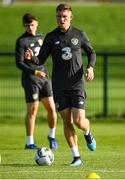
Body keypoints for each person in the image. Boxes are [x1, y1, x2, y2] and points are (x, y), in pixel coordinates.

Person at [25, 3, 96, 166]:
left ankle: (87, 131)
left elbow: (91, 52)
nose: (61, 19)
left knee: (79, 121)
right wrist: (31, 58)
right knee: (66, 121)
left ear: (71, 17)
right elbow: (40, 60)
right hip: (59, 86)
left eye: (64, 16)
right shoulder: (51, 37)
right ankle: (76, 157)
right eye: (59, 16)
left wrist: (90, 67)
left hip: (77, 84)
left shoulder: (79, 34)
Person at [15, 13, 58, 149]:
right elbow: (19, 63)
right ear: (24, 26)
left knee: (51, 108)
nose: (30, 27)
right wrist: (35, 72)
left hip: (44, 78)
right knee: (33, 110)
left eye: (32, 24)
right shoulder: (21, 41)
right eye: (27, 25)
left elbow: (47, 55)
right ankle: (30, 142)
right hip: (31, 79)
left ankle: (51, 136)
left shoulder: (42, 38)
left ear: (37, 23)